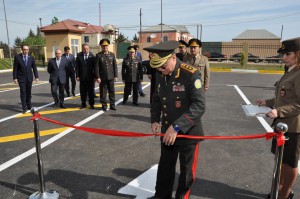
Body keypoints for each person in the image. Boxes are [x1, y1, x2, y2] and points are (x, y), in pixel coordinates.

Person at [144, 40, 206, 199]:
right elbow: (157, 98)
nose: (160, 70)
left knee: (186, 172)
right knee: (165, 167)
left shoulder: (190, 73)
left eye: (162, 66)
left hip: (188, 132)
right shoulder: (160, 72)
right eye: (157, 66)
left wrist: (177, 126)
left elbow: (199, 106)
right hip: (167, 129)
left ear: (173, 58)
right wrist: (154, 120)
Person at [256, 37, 300, 199]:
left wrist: (279, 111)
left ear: (298, 54)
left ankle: (284, 194)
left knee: (289, 164)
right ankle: (279, 189)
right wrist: (267, 102)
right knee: (280, 160)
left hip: (294, 127)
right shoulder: (290, 70)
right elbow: (285, 97)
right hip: (282, 124)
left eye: (288, 54)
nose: (284, 58)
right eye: (283, 54)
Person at [13, 44, 39, 114]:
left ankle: (29, 105)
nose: (26, 51)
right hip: (21, 78)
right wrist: (15, 78)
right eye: (24, 49)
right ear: (22, 50)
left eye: (27, 49)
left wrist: (36, 76)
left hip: (29, 78)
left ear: (28, 50)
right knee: (23, 92)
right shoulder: (17, 57)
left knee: (28, 92)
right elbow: (15, 68)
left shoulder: (31, 57)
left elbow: (34, 68)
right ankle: (24, 107)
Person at [95, 39, 118, 111]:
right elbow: (96, 67)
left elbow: (115, 66)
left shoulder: (112, 54)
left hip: (111, 77)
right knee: (103, 92)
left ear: (108, 46)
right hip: (102, 77)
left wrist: (116, 76)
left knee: (112, 92)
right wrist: (98, 77)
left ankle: (112, 105)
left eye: (106, 46)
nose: (105, 47)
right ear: (101, 47)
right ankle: (104, 105)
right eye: (103, 46)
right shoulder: (98, 55)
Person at [76, 44, 97, 109]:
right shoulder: (79, 57)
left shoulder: (93, 57)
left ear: (89, 49)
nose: (85, 50)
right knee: (83, 92)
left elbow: (95, 68)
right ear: (82, 49)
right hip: (82, 78)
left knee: (91, 92)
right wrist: (77, 76)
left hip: (90, 78)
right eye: (84, 49)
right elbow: (77, 67)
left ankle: (91, 104)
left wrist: (95, 76)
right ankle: (83, 104)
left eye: (87, 49)